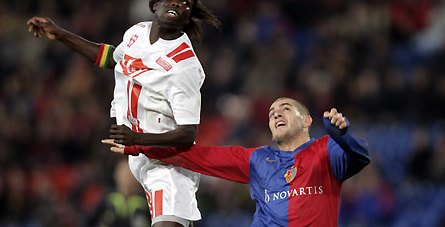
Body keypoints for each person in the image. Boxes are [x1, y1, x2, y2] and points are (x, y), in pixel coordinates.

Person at [27, 0, 222, 227]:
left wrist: (136, 139)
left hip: (169, 163)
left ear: (189, 16)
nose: (177, 3)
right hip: (139, 156)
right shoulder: (136, 33)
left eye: (186, 3)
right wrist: (61, 34)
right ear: (155, 5)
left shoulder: (184, 65)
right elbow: (111, 58)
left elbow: (187, 134)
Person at [103, 97, 371, 227]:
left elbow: (360, 156)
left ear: (307, 121)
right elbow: (195, 156)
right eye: (271, 113)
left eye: (285, 108)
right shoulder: (257, 159)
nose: (276, 113)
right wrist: (138, 143)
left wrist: (343, 136)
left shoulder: (326, 150)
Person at [87, 159, 151, 227]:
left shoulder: (147, 199)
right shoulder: (108, 197)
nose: (126, 177)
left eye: (130, 173)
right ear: (115, 174)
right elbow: (89, 220)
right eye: (123, 173)